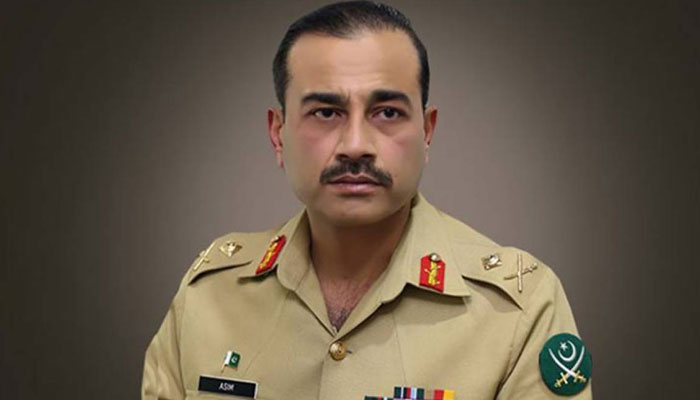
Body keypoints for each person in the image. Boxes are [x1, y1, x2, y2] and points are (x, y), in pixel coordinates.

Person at [141, 2, 592, 399]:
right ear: (278, 134)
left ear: (427, 131)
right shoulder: (209, 296)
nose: (355, 145)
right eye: (326, 112)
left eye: (387, 112)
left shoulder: (518, 311)